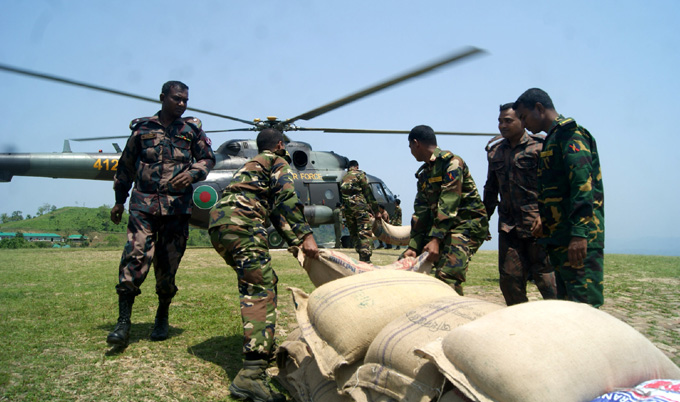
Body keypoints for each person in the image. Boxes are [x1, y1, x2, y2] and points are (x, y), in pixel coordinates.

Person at [209, 128, 319, 402]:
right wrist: (307, 235)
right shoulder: (277, 160)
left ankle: (262, 349)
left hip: (220, 225)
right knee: (258, 290)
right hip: (244, 225)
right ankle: (251, 375)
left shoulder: (251, 165)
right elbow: (287, 200)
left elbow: (274, 211)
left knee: (264, 282)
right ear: (280, 144)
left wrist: (293, 242)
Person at [107, 81, 216, 346]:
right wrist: (119, 202)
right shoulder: (142, 129)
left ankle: (162, 314)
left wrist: (192, 174)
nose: (182, 104)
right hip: (143, 207)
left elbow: (208, 158)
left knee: (168, 268)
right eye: (177, 99)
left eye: (185, 100)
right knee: (134, 258)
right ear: (163, 98)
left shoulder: (190, 131)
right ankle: (123, 324)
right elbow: (125, 168)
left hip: (177, 209)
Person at [513, 88, 605, 308]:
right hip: (561, 238)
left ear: (539, 108)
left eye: (524, 117)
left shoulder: (570, 135)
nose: (523, 124)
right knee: (568, 308)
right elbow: (558, 191)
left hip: (576, 239)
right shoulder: (553, 139)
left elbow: (582, 186)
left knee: (585, 308)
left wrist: (579, 235)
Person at [483, 103, 557, 306]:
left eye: (508, 121)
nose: (502, 125)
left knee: (547, 282)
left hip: (538, 228)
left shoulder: (541, 146)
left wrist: (546, 216)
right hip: (509, 228)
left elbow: (554, 186)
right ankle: (523, 325)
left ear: (522, 121)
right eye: (500, 121)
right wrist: (482, 222)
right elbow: (490, 190)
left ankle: (565, 323)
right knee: (510, 282)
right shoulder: (495, 152)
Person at [403, 125, 489, 295]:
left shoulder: (452, 163)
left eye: (410, 147)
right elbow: (421, 212)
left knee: (447, 276)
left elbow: (449, 203)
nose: (410, 151)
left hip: (467, 225)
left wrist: (435, 239)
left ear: (416, 143)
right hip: (443, 227)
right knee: (407, 266)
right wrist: (413, 246)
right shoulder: (424, 174)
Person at [340, 160, 379, 262]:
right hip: (360, 208)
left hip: (348, 211)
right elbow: (368, 192)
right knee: (364, 233)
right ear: (356, 166)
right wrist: (376, 211)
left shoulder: (343, 178)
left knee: (354, 234)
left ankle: (361, 255)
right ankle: (365, 259)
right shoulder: (360, 175)